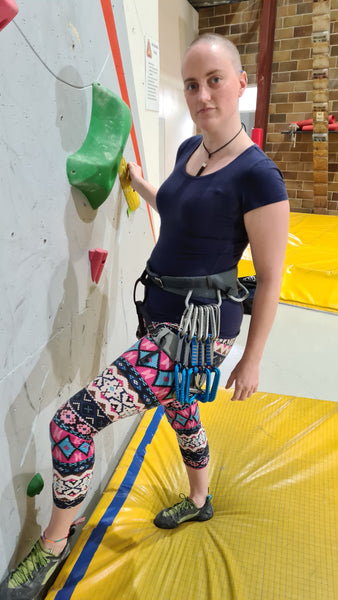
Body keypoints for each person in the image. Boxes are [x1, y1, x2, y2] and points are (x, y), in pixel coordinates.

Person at [0, 33, 289, 599]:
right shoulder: (190, 152)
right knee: (180, 410)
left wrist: (251, 361)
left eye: (214, 81)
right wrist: (142, 186)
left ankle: (57, 539)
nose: (202, 94)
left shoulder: (260, 177)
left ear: (240, 84)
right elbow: (181, 215)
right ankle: (201, 502)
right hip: (159, 316)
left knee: (71, 423)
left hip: (195, 334)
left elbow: (273, 279)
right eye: (191, 84)